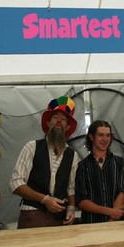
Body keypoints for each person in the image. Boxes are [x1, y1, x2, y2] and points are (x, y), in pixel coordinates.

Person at [10, 96, 79, 228]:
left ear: (68, 126)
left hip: (59, 218)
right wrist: (44, 199)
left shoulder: (72, 155)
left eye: (63, 119)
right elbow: (15, 183)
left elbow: (71, 187)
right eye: (55, 117)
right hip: (32, 216)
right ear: (48, 123)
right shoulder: (32, 147)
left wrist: (71, 208)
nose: (59, 121)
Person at [75, 120, 124, 223]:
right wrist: (110, 212)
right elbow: (81, 201)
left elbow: (122, 192)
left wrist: (111, 220)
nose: (105, 139)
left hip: (116, 223)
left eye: (108, 135)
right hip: (91, 224)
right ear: (92, 137)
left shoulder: (120, 163)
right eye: (101, 135)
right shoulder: (83, 166)